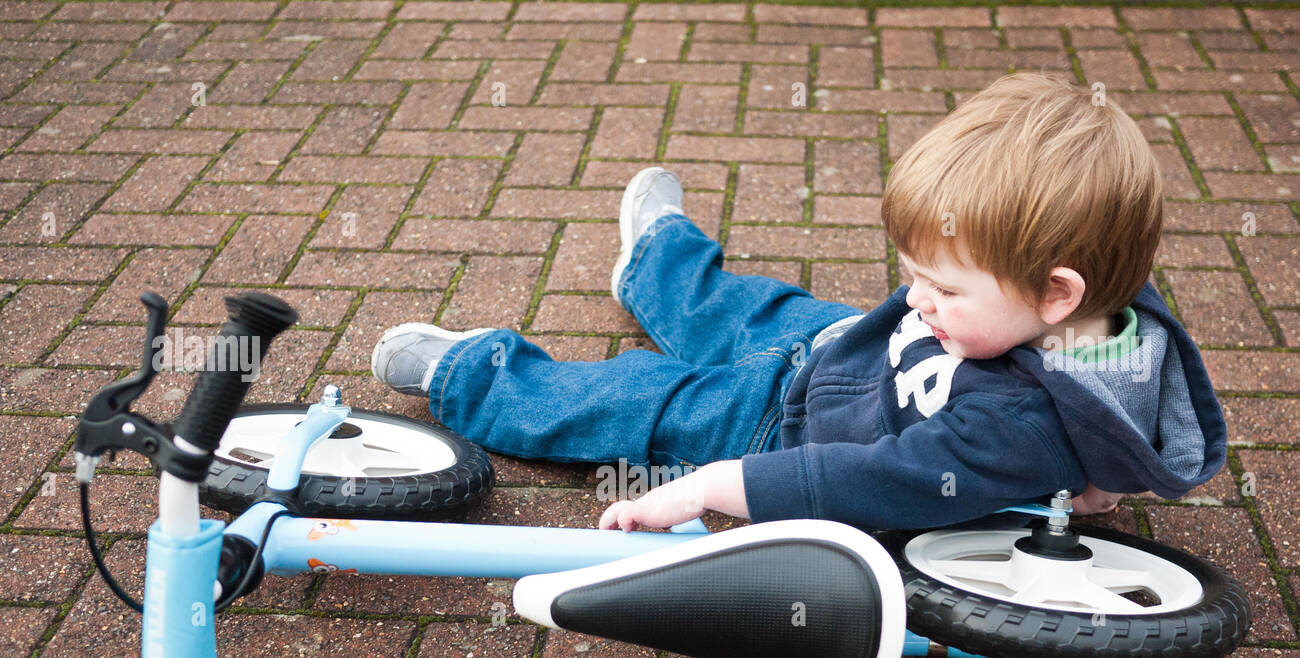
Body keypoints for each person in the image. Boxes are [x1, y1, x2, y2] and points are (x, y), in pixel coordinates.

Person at [371, 72, 1225, 533]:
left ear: (1055, 292)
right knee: (738, 307)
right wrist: (1104, 486)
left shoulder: (1014, 433)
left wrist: (702, 487)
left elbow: (859, 480)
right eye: (916, 272)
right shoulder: (1107, 321)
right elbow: (1115, 432)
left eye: (945, 286)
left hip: (777, 431)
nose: (918, 294)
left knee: (630, 398)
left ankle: (470, 372)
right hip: (841, 346)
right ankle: (657, 262)